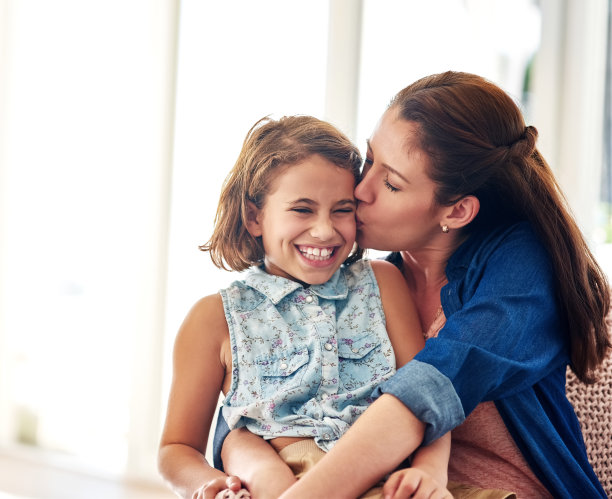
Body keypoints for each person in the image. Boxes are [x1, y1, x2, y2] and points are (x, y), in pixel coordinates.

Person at [218, 72, 611, 499]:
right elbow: (263, 402)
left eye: (390, 183)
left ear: (457, 210)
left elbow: (430, 389)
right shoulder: (363, 284)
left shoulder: (522, 267)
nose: (359, 190)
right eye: (369, 160)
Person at [157, 115, 454, 499]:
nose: (325, 231)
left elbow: (429, 395)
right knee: (242, 446)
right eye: (302, 209)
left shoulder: (382, 282)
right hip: (279, 477)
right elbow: (176, 448)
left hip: (385, 473)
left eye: (342, 209)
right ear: (254, 217)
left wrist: (432, 471)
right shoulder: (213, 318)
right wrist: (206, 484)